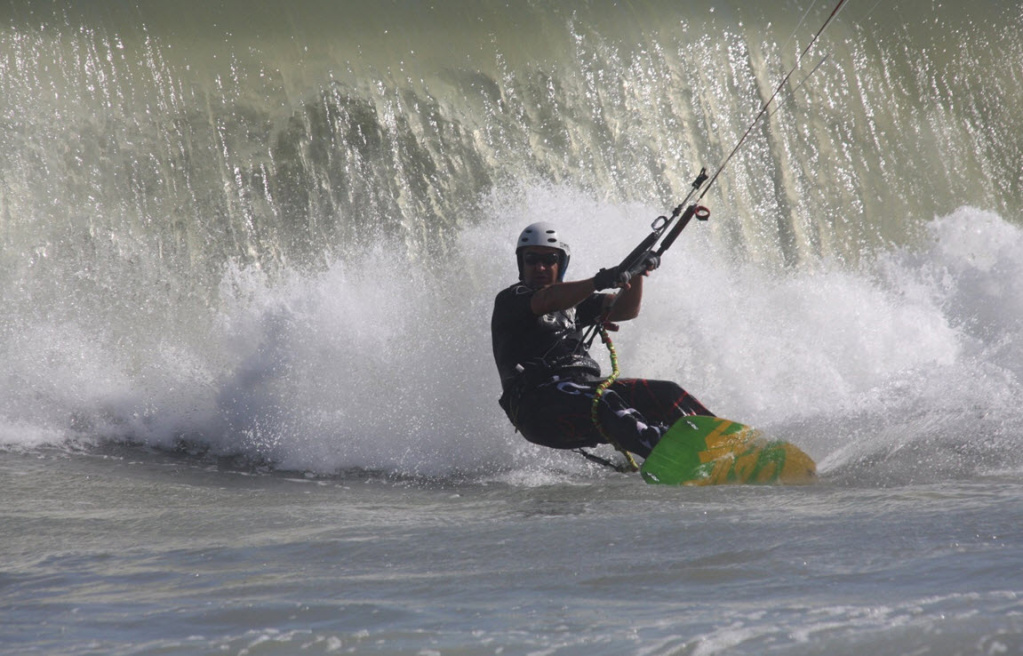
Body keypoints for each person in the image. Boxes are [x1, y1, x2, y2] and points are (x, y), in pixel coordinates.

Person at [491, 222, 714, 460]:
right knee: (604, 400)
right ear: (521, 263)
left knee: (667, 393)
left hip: (584, 392)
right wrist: (599, 280)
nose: (540, 266)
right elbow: (547, 300)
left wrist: (636, 273)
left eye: (550, 259)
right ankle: (672, 455)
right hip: (538, 409)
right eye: (532, 259)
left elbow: (625, 309)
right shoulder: (512, 299)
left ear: (562, 263)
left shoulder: (576, 304)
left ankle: (722, 442)